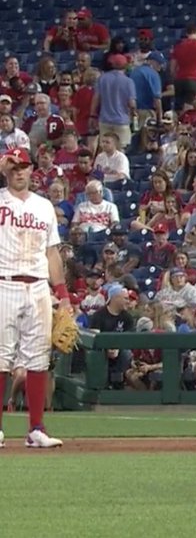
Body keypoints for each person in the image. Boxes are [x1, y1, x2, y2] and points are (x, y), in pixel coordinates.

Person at [0, 147, 70, 448]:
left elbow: (52, 252)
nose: (19, 172)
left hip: (39, 286)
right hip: (4, 283)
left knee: (39, 358)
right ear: (6, 170)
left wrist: (63, 294)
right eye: (14, 167)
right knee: (1, 357)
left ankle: (36, 429)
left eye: (24, 166)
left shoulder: (44, 207)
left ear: (32, 170)